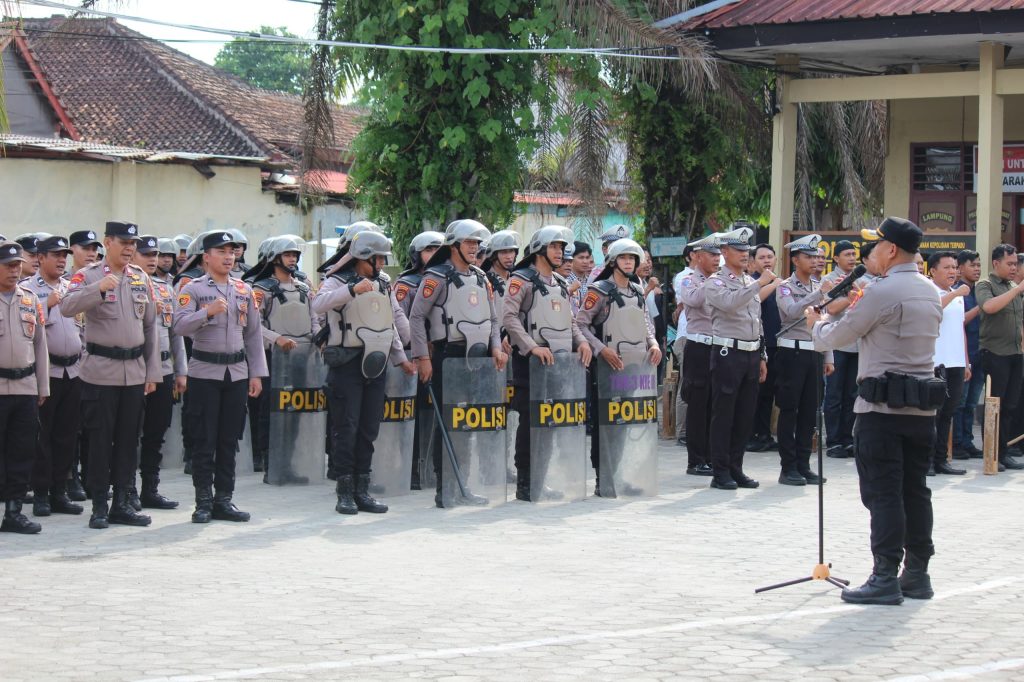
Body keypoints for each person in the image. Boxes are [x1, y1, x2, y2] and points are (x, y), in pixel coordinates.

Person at [810, 217, 943, 605]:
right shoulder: (930, 290)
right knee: (915, 492)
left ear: (891, 250)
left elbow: (836, 336)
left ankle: (884, 575)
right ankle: (917, 573)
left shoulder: (881, 291)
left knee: (883, 494)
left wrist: (816, 324)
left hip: (881, 410)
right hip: (921, 409)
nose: (873, 254)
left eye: (878, 246)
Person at [61, 221, 162, 529]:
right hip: (100, 372)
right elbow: (66, 306)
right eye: (123, 242)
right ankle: (99, 506)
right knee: (101, 441)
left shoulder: (140, 277)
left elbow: (150, 328)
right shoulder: (88, 276)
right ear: (108, 242)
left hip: (133, 371)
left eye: (133, 243)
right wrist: (96, 290)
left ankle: (123, 503)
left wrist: (152, 371)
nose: (130, 247)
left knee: (128, 440)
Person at [313, 231, 415, 514]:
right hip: (347, 362)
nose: (381, 264)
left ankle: (362, 490)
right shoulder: (336, 281)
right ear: (362, 257)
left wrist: (402, 357)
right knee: (347, 428)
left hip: (377, 360)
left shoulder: (383, 283)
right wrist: (350, 291)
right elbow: (317, 304)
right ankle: (344, 492)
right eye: (377, 258)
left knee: (369, 428)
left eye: (383, 258)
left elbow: (390, 321)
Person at [408, 219, 507, 508]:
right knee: (448, 424)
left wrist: (497, 348)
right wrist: (423, 357)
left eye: (477, 243)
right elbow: (416, 318)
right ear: (454, 246)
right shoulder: (436, 277)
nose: (474, 248)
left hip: (477, 358)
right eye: (468, 243)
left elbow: (492, 319)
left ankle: (463, 484)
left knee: (467, 424)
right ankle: (446, 487)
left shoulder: (480, 277)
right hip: (446, 355)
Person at [173, 231, 268, 523]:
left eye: (232, 251)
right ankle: (203, 501)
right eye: (222, 251)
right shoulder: (194, 288)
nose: (229, 257)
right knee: (204, 439)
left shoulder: (243, 290)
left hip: (236, 374)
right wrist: (206, 313)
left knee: (230, 439)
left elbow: (253, 335)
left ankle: (224, 499)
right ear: (206, 257)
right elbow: (179, 325)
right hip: (204, 373)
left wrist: (257, 374)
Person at [502, 226, 592, 501]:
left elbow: (570, 321)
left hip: (560, 364)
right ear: (540, 248)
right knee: (530, 424)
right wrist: (531, 348)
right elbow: (509, 318)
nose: (559, 252)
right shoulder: (521, 279)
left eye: (561, 247)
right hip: (530, 364)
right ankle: (526, 482)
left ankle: (541, 478)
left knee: (550, 422)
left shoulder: (561, 283)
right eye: (554, 246)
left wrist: (582, 342)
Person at [575, 238, 661, 496]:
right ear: (613, 261)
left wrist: (654, 344)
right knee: (606, 426)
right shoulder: (598, 290)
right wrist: (602, 350)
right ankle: (605, 479)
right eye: (623, 258)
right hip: (606, 370)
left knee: (624, 424)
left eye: (632, 258)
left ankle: (619, 476)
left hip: (634, 368)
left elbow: (646, 323)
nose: (628, 262)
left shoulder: (637, 290)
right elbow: (580, 324)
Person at [704, 226, 774, 491]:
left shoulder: (748, 281)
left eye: (747, 250)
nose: (745, 255)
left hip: (751, 353)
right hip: (727, 353)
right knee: (724, 414)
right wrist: (760, 283)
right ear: (725, 252)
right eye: (739, 250)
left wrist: (763, 355)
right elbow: (730, 304)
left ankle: (736, 467)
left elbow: (757, 321)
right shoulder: (715, 282)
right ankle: (719, 470)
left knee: (745, 415)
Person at [249, 235, 319, 480]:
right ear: (275, 258)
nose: (293, 259)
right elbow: (253, 325)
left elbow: (314, 318)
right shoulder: (261, 289)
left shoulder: (302, 287)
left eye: (295, 255)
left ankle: (288, 463)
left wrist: (318, 338)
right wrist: (276, 338)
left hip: (301, 357)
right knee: (270, 412)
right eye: (288, 255)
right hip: (273, 359)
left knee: (296, 412)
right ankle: (270, 463)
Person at [25, 235, 84, 518]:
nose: (62, 260)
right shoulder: (28, 290)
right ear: (40, 258)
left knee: (67, 435)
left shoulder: (71, 288)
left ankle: (60, 491)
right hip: (46, 372)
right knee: (42, 436)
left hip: (73, 371)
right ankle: (41, 494)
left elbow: (81, 329)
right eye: (56, 255)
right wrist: (46, 304)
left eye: (65, 255)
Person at [775, 235, 834, 486]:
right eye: (808, 257)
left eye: (815, 257)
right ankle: (787, 467)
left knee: (810, 412)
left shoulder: (818, 287)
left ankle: (803, 464)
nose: (813, 261)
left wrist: (828, 355)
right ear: (795, 259)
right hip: (792, 352)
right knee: (790, 410)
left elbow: (825, 321)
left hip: (814, 353)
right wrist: (818, 295)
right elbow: (790, 312)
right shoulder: (785, 286)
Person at [130, 236, 185, 510]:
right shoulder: (127, 285)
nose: (152, 259)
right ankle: (126, 488)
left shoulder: (166, 288)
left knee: (156, 433)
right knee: (128, 434)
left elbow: (176, 334)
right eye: (146, 254)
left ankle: (149, 489)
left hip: (163, 370)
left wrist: (180, 371)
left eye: (156, 254)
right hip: (134, 370)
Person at [0, 241, 49, 534]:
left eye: (17, 265)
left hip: (25, 388)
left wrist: (42, 386)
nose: (15, 270)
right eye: (8, 265)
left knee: (21, 451)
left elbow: (40, 345)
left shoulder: (30, 299)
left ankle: (14, 511)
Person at [395, 231, 445, 491]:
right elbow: (400, 319)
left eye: (439, 249)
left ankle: (434, 470)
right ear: (417, 254)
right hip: (413, 357)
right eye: (429, 250)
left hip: (440, 355)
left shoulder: (445, 278)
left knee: (436, 416)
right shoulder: (407, 283)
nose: (434, 254)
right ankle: (411, 469)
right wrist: (418, 350)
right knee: (412, 416)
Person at [974, 243, 1024, 470]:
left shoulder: (1013, 285)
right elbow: (989, 307)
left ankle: (1003, 451)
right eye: (1010, 263)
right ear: (996, 263)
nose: (1014, 268)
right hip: (995, 353)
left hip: (1015, 352)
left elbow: (1018, 321)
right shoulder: (986, 284)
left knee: (1011, 404)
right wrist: (1016, 290)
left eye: (1016, 264)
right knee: (996, 404)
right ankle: (991, 452)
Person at [676, 235, 719, 477]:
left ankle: (712, 456)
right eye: (712, 255)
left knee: (715, 404)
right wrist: (712, 282)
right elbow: (693, 299)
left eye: (718, 255)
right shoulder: (688, 280)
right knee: (698, 404)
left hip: (717, 347)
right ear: (698, 256)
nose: (716, 259)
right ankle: (696, 460)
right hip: (697, 347)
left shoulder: (723, 280)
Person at [927, 251, 970, 476]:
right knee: (932, 413)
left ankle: (941, 459)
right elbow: (933, 310)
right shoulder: (928, 291)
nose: (953, 271)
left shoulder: (957, 293)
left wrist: (966, 361)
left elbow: (959, 329)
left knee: (948, 414)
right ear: (933, 270)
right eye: (947, 267)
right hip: (935, 361)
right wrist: (955, 295)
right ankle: (927, 462)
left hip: (956, 362)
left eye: (955, 267)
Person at [822, 240, 862, 459]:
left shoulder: (860, 280)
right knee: (834, 395)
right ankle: (834, 440)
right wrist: (852, 296)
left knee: (852, 395)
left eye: (853, 254)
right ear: (836, 258)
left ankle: (848, 439)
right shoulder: (829, 281)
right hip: (837, 344)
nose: (851, 258)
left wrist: (854, 294)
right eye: (846, 254)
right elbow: (833, 307)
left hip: (856, 344)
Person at [748, 243, 781, 452]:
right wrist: (773, 283)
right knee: (755, 393)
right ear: (753, 262)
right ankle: (750, 435)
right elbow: (754, 301)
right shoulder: (752, 283)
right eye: (762, 257)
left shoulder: (782, 283)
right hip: (758, 345)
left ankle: (765, 434)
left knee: (769, 393)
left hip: (777, 344)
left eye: (770, 256)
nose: (767, 260)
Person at [953, 250, 984, 460]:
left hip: (980, 352)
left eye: (979, 265)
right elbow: (959, 320)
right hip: (962, 354)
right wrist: (982, 307)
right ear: (961, 267)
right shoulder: (956, 291)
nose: (977, 269)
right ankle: (956, 443)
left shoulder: (979, 290)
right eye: (973, 265)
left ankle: (967, 441)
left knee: (972, 403)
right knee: (960, 402)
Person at [671, 246, 698, 447]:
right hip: (687, 336)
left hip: (704, 336)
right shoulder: (685, 277)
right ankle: (682, 431)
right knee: (686, 384)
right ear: (691, 256)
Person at [480, 230, 521, 298]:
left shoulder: (518, 278)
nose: (509, 257)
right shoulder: (484, 281)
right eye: (504, 252)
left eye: (511, 251)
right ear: (494, 255)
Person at [567, 241, 593, 314]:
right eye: (581, 258)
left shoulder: (591, 282)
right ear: (572, 258)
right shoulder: (565, 280)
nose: (585, 261)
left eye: (587, 258)